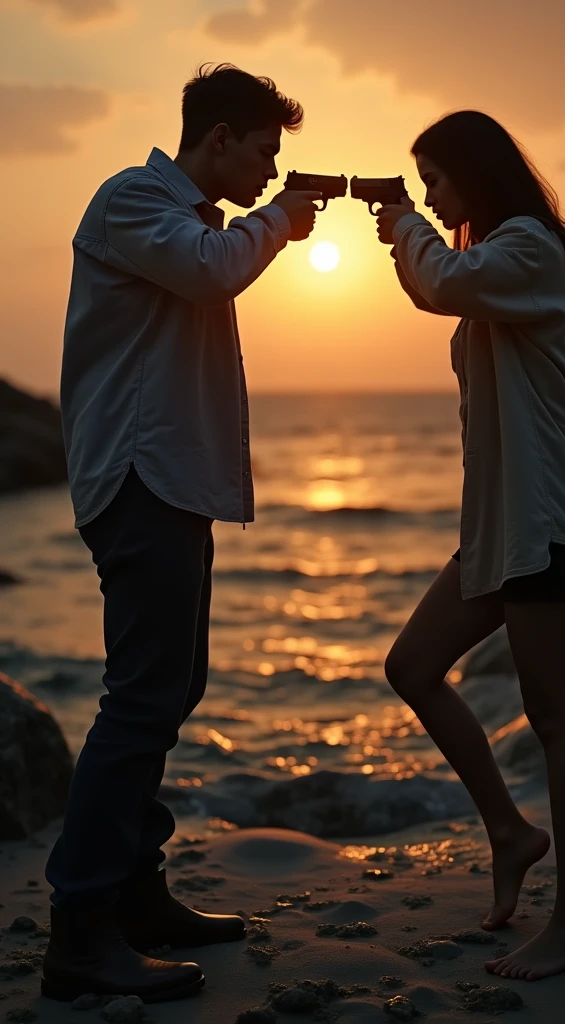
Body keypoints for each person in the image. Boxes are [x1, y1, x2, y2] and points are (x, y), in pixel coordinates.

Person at [42, 63, 321, 1004]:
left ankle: (133, 894)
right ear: (220, 139)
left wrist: (270, 219)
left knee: (169, 688)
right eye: (264, 152)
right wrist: (283, 218)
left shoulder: (188, 216)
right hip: (137, 475)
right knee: (142, 696)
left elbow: (214, 266)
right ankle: (80, 931)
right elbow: (213, 276)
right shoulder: (133, 200)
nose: (270, 169)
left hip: (167, 480)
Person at [375, 110, 565, 982]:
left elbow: (437, 281)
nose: (433, 199)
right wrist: (405, 225)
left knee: (556, 717)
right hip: (502, 529)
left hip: (546, 518)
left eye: (436, 180)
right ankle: (513, 833)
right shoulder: (496, 259)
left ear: (475, 174)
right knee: (411, 667)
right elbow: (434, 282)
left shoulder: (523, 248)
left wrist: (401, 220)